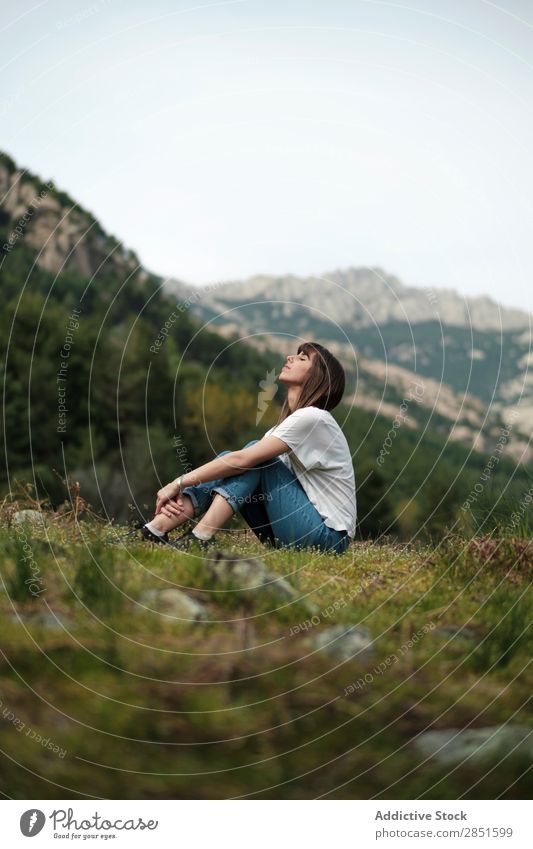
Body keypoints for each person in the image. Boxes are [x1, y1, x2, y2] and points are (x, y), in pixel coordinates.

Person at [141, 342, 356, 554]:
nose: (290, 357)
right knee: (231, 461)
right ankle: (155, 529)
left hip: (328, 540)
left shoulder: (314, 417)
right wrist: (181, 484)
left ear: (318, 377)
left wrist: (177, 483)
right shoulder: (286, 427)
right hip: (290, 530)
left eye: (302, 358)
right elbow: (235, 463)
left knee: (250, 459)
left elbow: (243, 460)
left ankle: (200, 536)